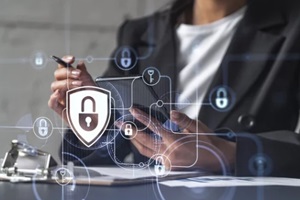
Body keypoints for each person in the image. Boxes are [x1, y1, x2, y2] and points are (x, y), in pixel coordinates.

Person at [49, 0, 300, 177]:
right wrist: (93, 118)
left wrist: (229, 153)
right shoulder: (140, 34)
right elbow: (88, 160)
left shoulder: (292, 28)